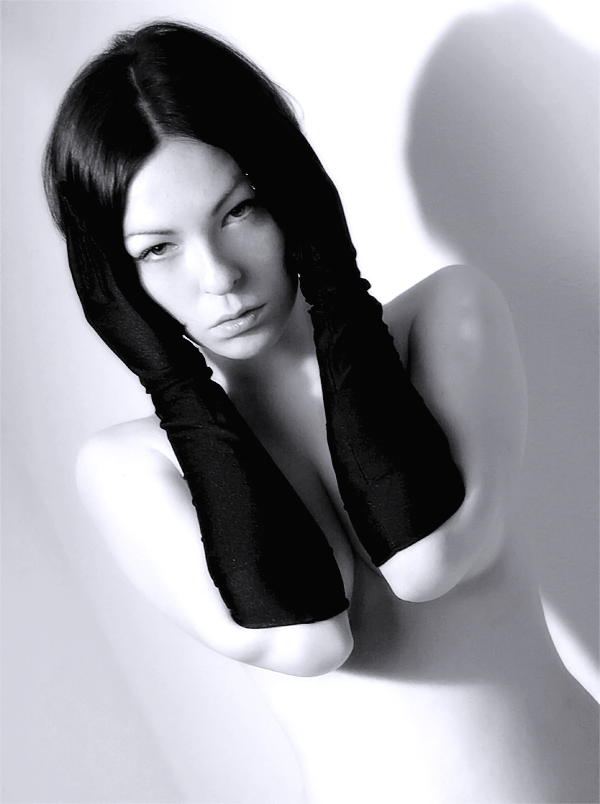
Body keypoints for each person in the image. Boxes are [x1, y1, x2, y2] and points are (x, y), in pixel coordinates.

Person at [44, 20, 598, 803]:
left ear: (292, 191)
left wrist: (335, 282)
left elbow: (428, 558)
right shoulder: (131, 468)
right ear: (113, 280)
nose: (219, 278)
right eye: (157, 249)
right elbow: (307, 637)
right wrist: (171, 380)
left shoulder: (446, 317)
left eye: (240, 211)